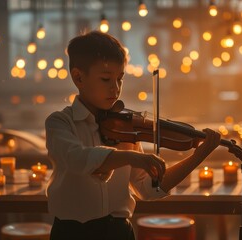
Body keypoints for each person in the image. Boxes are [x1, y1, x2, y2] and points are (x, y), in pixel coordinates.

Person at [45, 30, 221, 240]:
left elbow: (149, 189)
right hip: (73, 234)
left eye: (120, 79)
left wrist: (197, 157)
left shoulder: (124, 128)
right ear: (78, 77)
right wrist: (131, 157)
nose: (115, 87)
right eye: (106, 79)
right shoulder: (60, 123)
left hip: (119, 233)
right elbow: (78, 158)